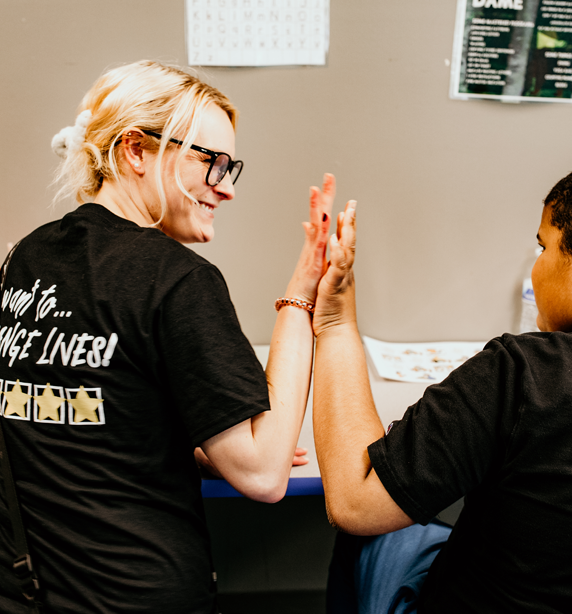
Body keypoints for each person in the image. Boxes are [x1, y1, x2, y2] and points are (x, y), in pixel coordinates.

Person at [0, 60, 335, 614]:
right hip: (137, 594)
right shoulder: (176, 279)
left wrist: (193, 446)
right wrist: (302, 298)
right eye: (211, 163)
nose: (224, 189)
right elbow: (264, 473)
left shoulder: (26, 257)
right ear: (136, 150)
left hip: (30, 591)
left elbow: (72, 409)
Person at [312, 155, 572, 613]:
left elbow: (355, 503)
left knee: (378, 536)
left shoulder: (520, 373)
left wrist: (334, 320)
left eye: (543, 247)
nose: (538, 266)